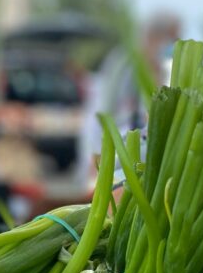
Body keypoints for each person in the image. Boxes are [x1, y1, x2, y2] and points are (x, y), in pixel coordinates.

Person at [77, 13, 182, 190]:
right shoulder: (125, 64)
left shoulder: (159, 69)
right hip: (110, 157)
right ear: (153, 38)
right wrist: (95, 161)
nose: (174, 46)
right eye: (172, 39)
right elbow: (103, 114)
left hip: (135, 163)